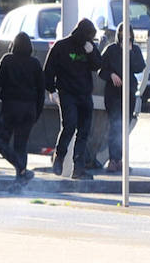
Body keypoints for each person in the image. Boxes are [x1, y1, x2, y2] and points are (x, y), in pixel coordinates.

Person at [0, 33, 44, 190]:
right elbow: (41, 91)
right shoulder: (35, 63)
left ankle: (21, 168)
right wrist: (37, 112)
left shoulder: (7, 60)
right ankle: (20, 180)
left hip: (11, 108)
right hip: (29, 109)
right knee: (21, 145)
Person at [44, 19, 102, 180]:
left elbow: (98, 65)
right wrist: (51, 89)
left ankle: (79, 168)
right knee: (69, 126)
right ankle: (59, 156)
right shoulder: (61, 46)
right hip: (67, 93)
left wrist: (91, 53)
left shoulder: (89, 46)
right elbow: (48, 69)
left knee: (83, 132)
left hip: (84, 94)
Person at [98, 23, 146, 173]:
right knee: (115, 126)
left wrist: (131, 52)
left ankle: (120, 160)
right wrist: (111, 75)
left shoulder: (135, 49)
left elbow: (139, 67)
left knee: (124, 127)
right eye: (122, 32)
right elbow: (100, 69)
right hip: (113, 93)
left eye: (128, 33)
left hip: (128, 92)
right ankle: (113, 159)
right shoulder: (111, 50)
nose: (125, 35)